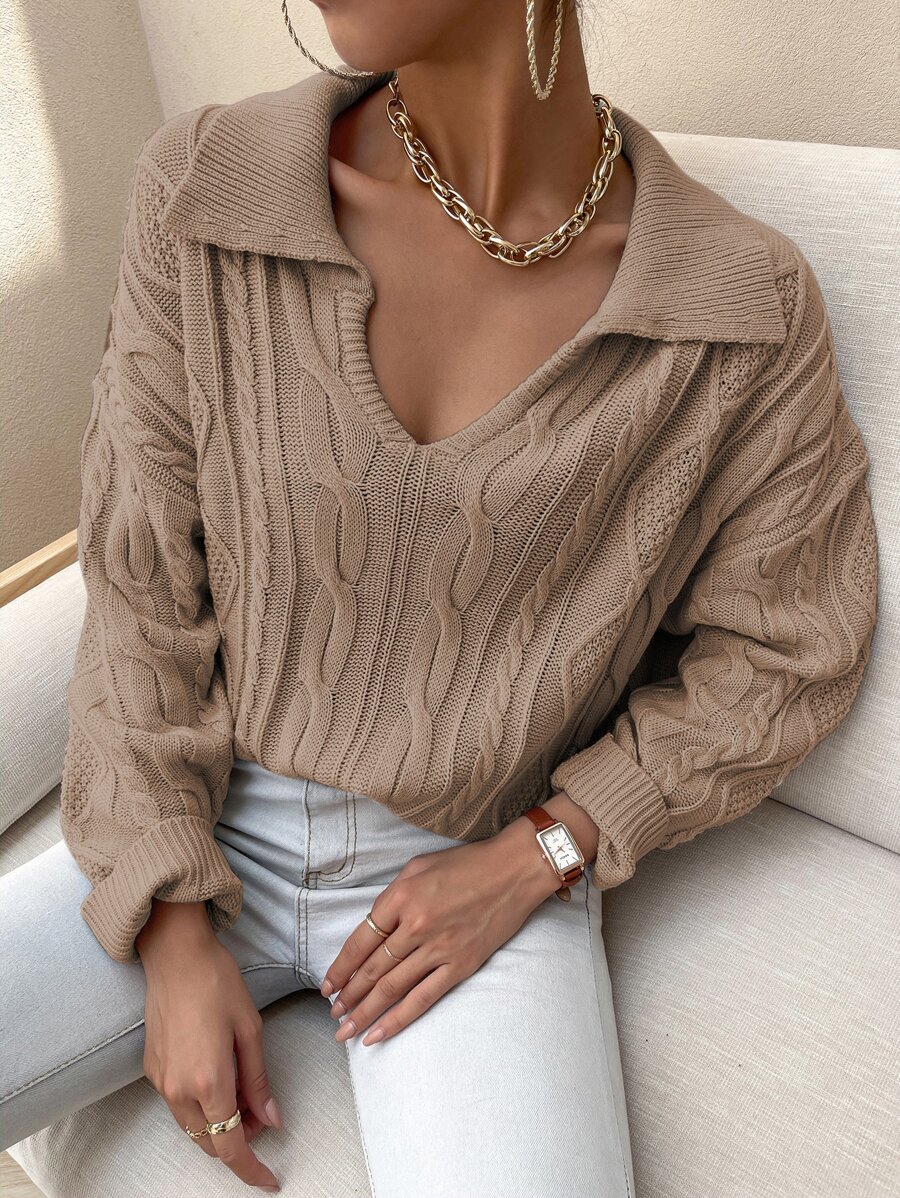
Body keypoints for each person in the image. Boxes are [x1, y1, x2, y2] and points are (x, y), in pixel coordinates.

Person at [0, 1, 878, 1194]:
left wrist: (545, 850)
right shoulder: (211, 189)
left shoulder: (735, 310)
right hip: (207, 808)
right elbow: (140, 577)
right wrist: (167, 918)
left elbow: (791, 650)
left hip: (477, 869)